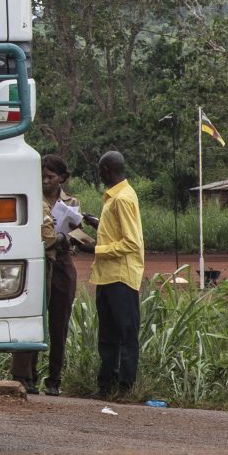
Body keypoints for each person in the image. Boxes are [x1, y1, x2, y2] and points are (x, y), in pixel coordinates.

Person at [9, 157, 84, 395]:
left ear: (62, 178)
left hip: (62, 262)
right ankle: (27, 376)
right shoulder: (32, 199)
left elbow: (77, 234)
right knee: (34, 319)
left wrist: (70, 236)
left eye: (50, 177)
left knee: (59, 323)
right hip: (40, 262)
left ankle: (55, 378)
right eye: (42, 176)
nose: (45, 181)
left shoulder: (71, 202)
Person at [92, 150, 146, 400]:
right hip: (106, 276)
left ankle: (125, 387)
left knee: (125, 334)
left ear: (105, 170)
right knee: (107, 335)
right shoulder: (114, 198)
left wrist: (95, 249)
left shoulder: (122, 198)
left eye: (100, 171)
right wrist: (97, 224)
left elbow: (131, 242)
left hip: (121, 277)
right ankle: (105, 385)